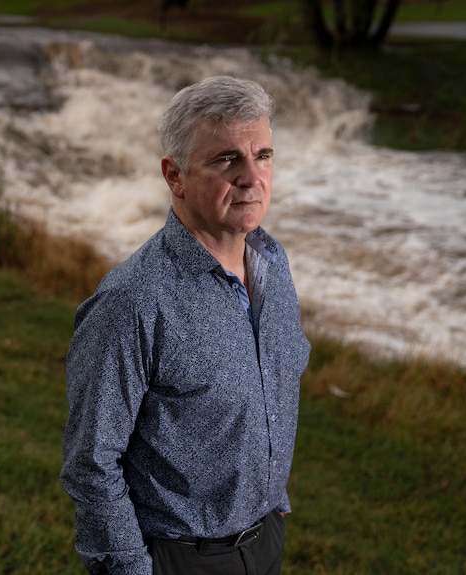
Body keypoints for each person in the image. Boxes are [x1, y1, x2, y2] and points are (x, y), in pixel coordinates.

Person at [60, 75, 311, 575]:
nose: (251, 177)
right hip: (178, 559)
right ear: (174, 176)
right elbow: (91, 464)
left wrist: (271, 496)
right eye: (226, 160)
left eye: (262, 155)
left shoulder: (272, 263)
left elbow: (275, 387)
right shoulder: (132, 301)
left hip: (264, 542)